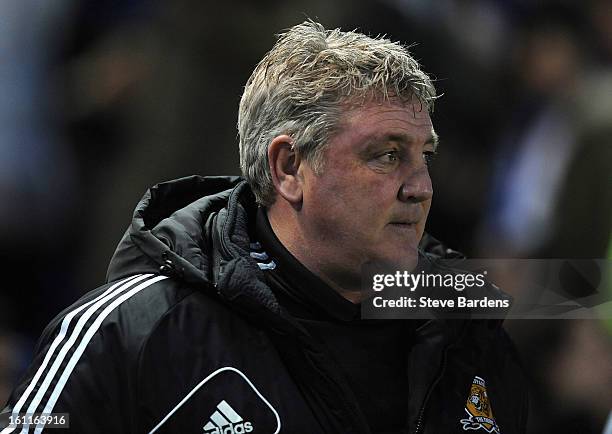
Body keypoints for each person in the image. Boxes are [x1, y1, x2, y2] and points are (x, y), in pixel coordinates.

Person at [0, 21, 528, 434]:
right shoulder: (130, 334)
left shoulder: (466, 332)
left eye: (424, 157)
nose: (420, 187)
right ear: (289, 169)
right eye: (387, 155)